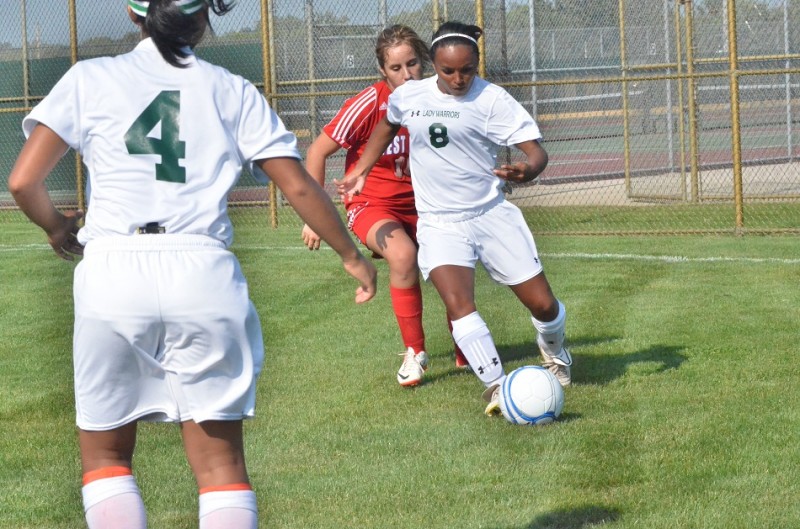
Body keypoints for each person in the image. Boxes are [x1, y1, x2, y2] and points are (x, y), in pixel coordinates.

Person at [7, 1, 376, 528]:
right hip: (203, 270)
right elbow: (297, 183)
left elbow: (22, 181)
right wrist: (350, 254)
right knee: (221, 467)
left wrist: (56, 226)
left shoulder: (90, 78)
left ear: (135, 16)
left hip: (114, 268)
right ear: (204, 18)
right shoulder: (232, 88)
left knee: (106, 460)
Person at [336, 21, 573, 416]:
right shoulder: (411, 95)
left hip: (491, 215)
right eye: (448, 70)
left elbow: (537, 153)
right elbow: (387, 124)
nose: (459, 78)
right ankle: (499, 388)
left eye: (467, 69)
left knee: (543, 305)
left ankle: (556, 351)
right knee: (459, 304)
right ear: (434, 65)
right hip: (440, 222)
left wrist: (529, 169)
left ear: (477, 64)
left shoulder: (492, 100)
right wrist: (361, 168)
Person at [301, 24, 467, 387]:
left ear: (425, 62)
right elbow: (317, 150)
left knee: (451, 267)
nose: (407, 75)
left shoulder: (441, 101)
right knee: (404, 256)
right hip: (372, 204)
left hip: (427, 206)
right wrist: (312, 216)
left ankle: (466, 344)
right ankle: (415, 353)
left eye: (412, 64)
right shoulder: (370, 103)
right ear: (382, 70)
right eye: (396, 68)